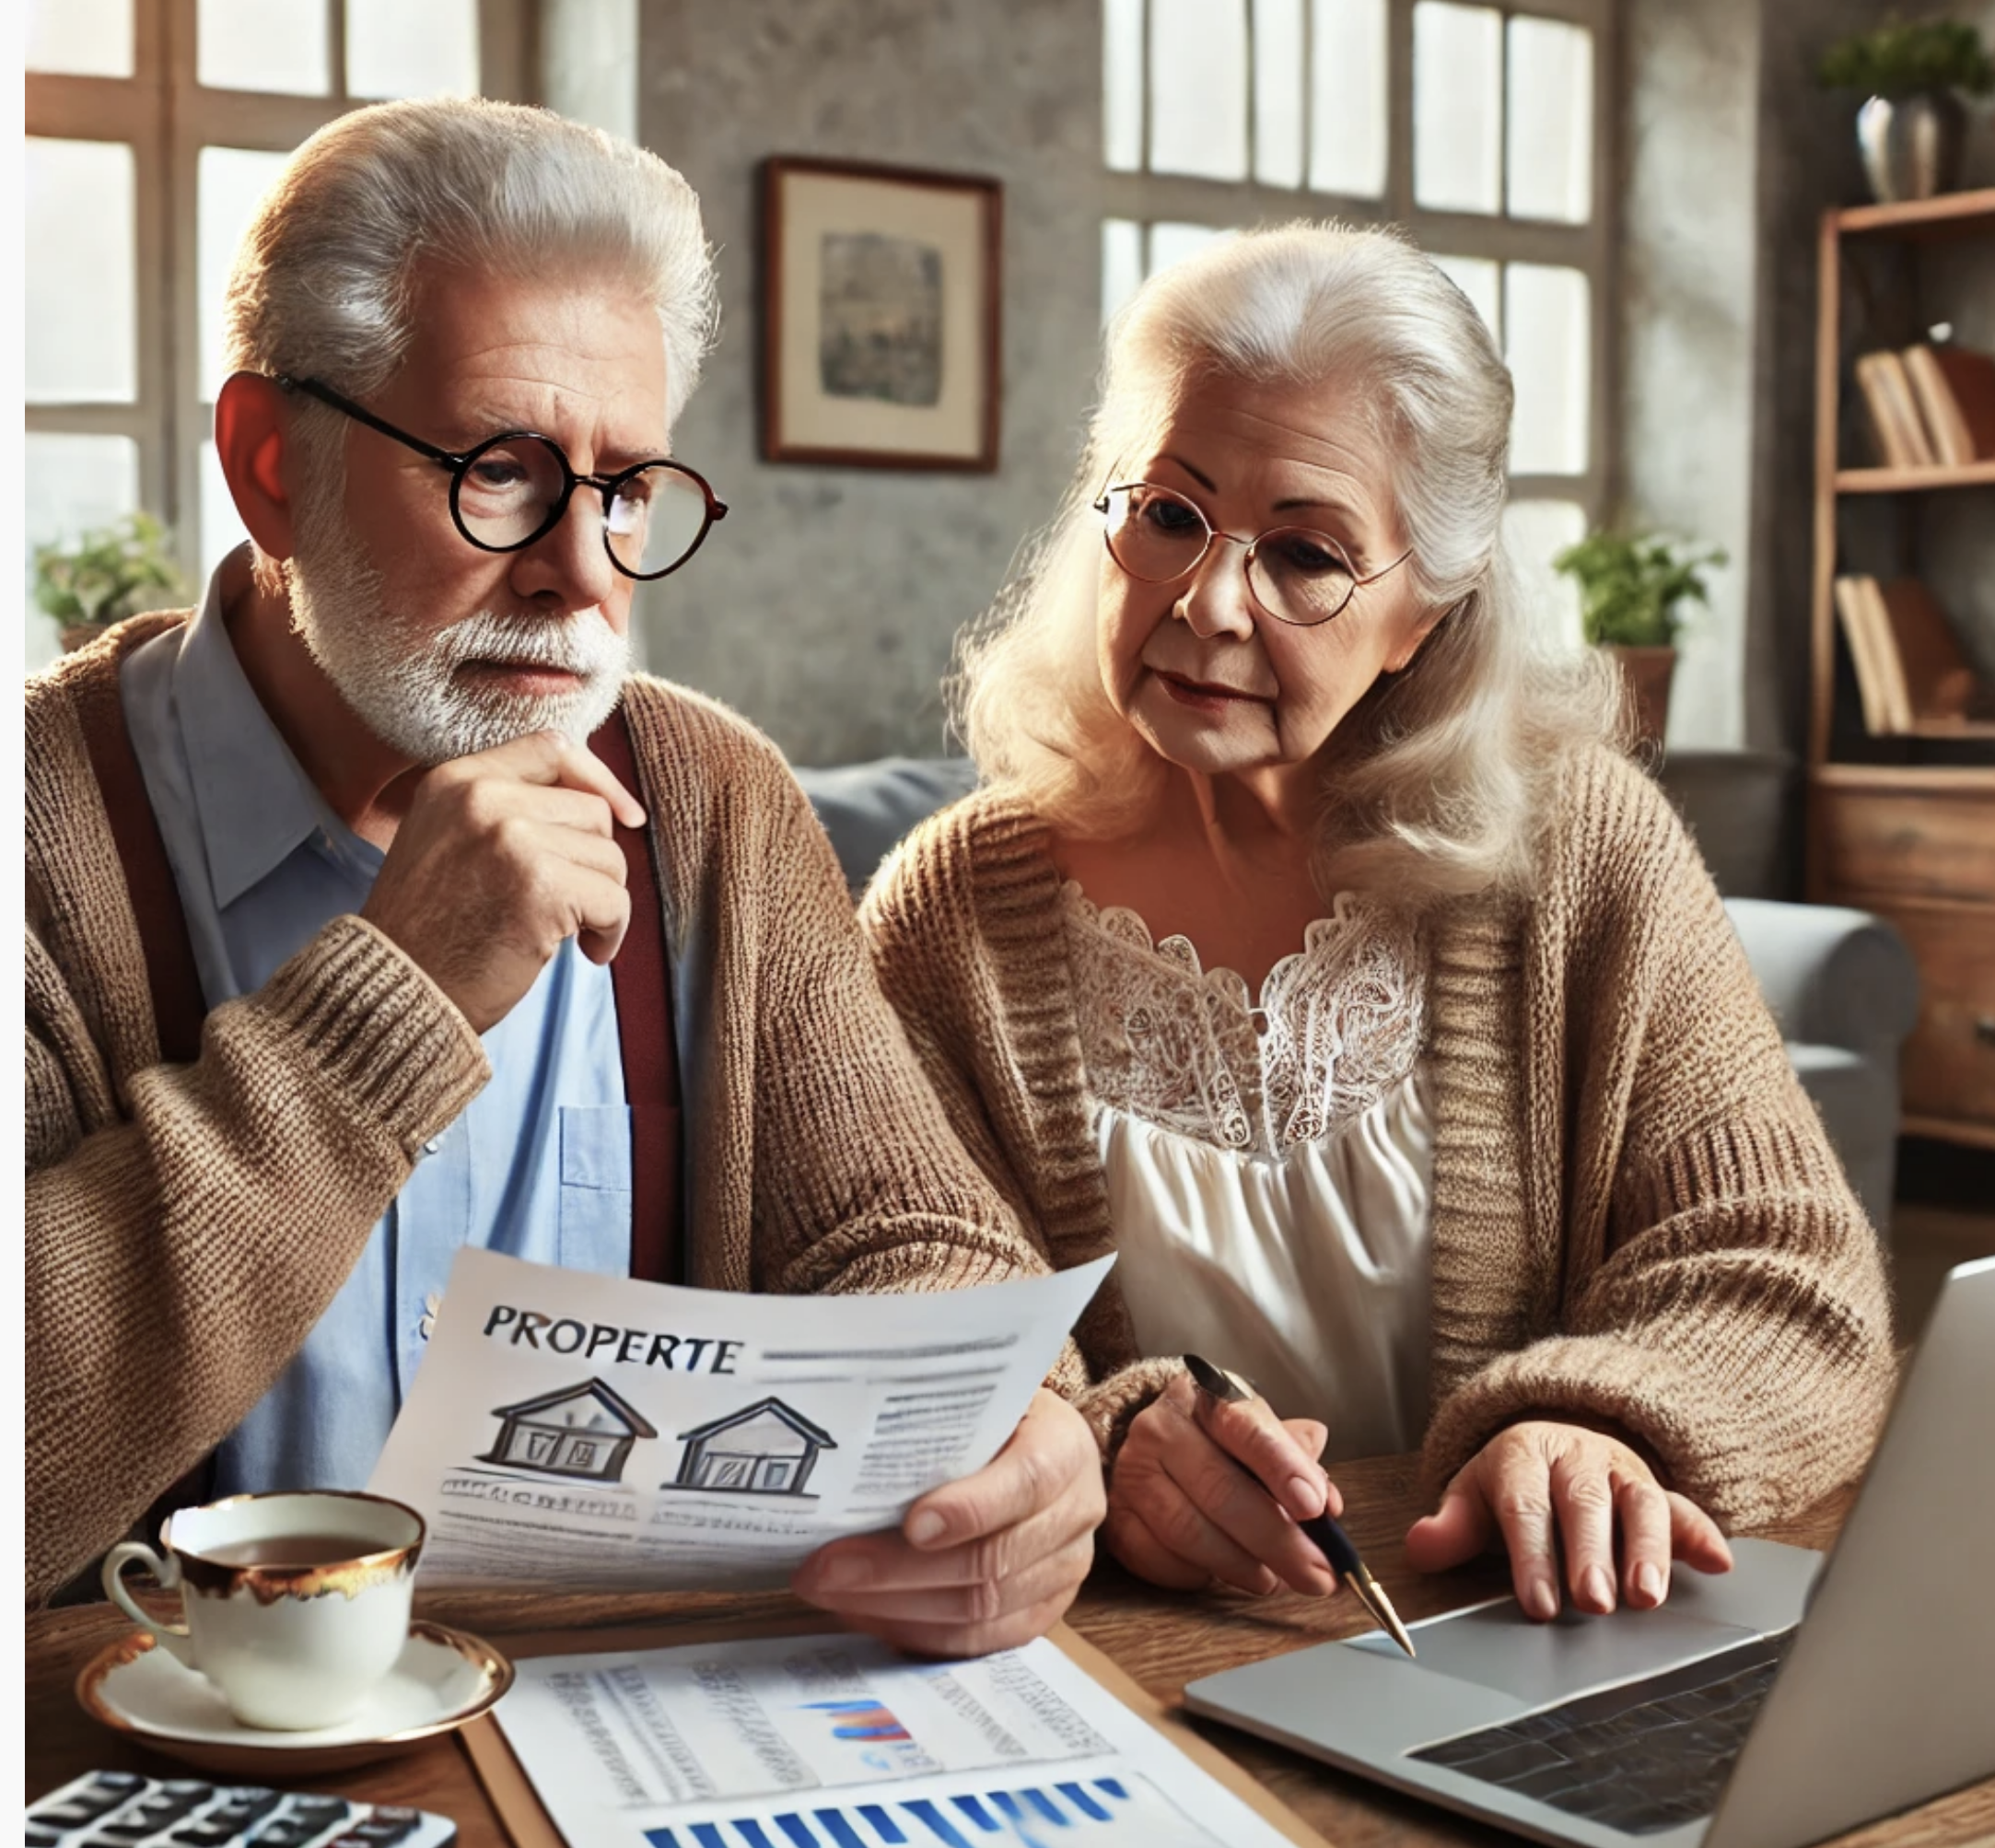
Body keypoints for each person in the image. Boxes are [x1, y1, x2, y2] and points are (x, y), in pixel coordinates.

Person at [24, 97, 1104, 1648]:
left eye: (626, 489)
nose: (584, 573)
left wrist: (1007, 1444)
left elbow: (907, 1238)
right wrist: (384, 1014)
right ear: (271, 467)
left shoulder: (709, 798)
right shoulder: (36, 827)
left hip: (623, 1739)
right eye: (501, 473)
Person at [859, 224, 1896, 1624]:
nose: (1208, 603)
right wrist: (1104, 1441)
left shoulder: (1577, 852)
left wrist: (1604, 1423)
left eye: (1304, 553)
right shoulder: (942, 916)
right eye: (1166, 512)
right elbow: (895, 1309)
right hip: (1120, 1674)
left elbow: (1793, 1277)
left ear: (1425, 610)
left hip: (1513, 1645)